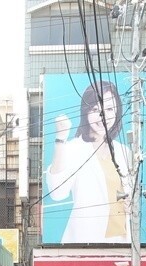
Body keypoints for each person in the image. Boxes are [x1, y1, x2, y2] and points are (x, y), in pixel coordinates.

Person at [46, 81, 130, 244]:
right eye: (95, 110)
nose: (103, 117)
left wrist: (130, 206)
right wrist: (60, 138)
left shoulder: (124, 152)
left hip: (123, 242)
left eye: (110, 109)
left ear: (117, 111)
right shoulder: (73, 148)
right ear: (85, 112)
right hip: (86, 241)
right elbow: (57, 193)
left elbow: (130, 197)